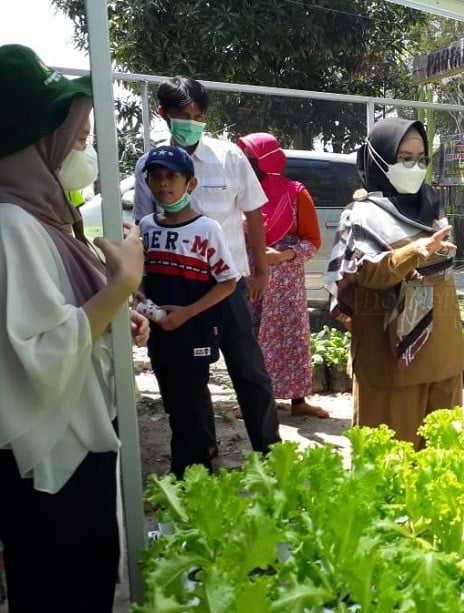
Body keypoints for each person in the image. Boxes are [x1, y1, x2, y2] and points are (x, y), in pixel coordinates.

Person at [0, 45, 148, 611]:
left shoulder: (45, 216)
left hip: (77, 441)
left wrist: (115, 312)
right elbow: (34, 356)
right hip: (49, 461)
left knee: (85, 574)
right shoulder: (12, 225)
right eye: (79, 137)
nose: (85, 148)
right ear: (38, 143)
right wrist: (119, 286)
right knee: (60, 586)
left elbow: (57, 313)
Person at [134, 76, 281, 452]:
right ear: (165, 115)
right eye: (184, 115)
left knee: (249, 369)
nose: (193, 122)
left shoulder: (229, 156)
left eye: (199, 115)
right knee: (189, 375)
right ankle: (202, 453)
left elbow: (253, 214)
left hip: (227, 285)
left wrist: (261, 270)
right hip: (178, 288)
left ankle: (269, 449)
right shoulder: (150, 166)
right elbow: (145, 227)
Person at [325, 117, 464, 449]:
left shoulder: (433, 209)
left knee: (441, 466)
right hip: (390, 360)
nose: (414, 167)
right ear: (379, 158)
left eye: (421, 159)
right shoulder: (360, 215)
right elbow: (364, 276)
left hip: (444, 355)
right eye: (405, 158)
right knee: (390, 463)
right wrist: (414, 252)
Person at [137, 146, 239, 478]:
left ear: (190, 184)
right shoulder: (147, 226)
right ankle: (201, 462)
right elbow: (141, 278)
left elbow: (227, 282)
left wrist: (187, 313)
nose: (163, 184)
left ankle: (188, 474)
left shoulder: (207, 229)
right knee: (175, 402)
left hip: (194, 330)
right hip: (160, 333)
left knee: (190, 403)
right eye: (155, 177)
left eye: (171, 176)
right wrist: (145, 304)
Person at [236, 132, 329, 418]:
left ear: (266, 161)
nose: (245, 165)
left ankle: (299, 403)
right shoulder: (240, 194)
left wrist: (284, 255)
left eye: (250, 159)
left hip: (286, 281)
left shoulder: (296, 193)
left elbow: (313, 241)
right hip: (251, 276)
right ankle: (257, 401)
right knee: (250, 337)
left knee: (292, 339)